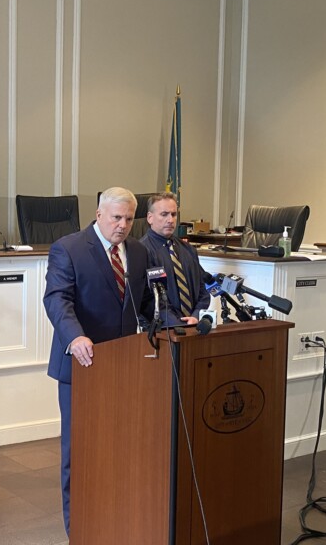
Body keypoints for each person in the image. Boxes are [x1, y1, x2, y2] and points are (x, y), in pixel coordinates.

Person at [43, 186, 153, 534]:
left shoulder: (137, 251)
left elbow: (148, 304)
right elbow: (57, 299)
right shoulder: (69, 248)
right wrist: (74, 336)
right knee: (79, 453)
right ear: (99, 215)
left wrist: (173, 325)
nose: (122, 225)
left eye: (128, 219)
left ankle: (114, 516)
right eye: (116, 217)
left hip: (124, 365)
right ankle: (77, 528)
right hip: (82, 364)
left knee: (119, 447)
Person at [140, 191, 210, 326]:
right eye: (164, 214)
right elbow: (152, 299)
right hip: (166, 329)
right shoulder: (142, 251)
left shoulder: (188, 250)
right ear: (150, 218)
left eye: (173, 214)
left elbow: (203, 289)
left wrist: (196, 316)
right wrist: (178, 325)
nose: (170, 220)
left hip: (193, 325)